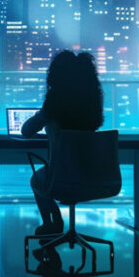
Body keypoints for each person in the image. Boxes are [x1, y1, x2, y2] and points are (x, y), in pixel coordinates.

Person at [21, 50, 104, 235]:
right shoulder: (93, 103)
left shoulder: (55, 101)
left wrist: (42, 118)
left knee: (36, 180)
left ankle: (53, 222)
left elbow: (26, 131)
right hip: (92, 173)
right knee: (43, 178)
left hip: (62, 173)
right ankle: (56, 223)